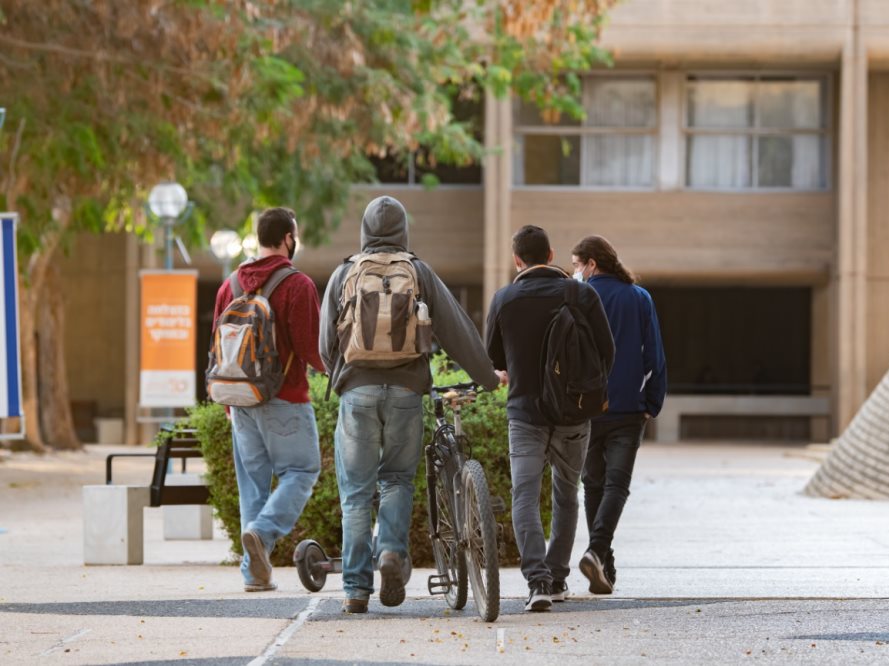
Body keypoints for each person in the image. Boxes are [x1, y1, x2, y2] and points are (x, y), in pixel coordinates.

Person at [320, 195, 499, 615]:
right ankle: (391, 554)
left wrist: (346, 376)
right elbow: (455, 329)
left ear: (364, 230)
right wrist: (488, 377)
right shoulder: (418, 271)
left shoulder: (345, 272)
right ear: (403, 231)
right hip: (406, 391)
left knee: (356, 494)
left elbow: (326, 344)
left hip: (357, 392)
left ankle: (355, 590)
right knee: (398, 479)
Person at [485, 225, 614, 611]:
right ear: (552, 254)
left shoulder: (505, 299)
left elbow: (494, 359)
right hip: (574, 414)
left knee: (524, 495)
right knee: (565, 493)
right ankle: (558, 578)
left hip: (525, 413)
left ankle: (537, 582)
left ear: (517, 260)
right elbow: (606, 352)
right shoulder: (581, 293)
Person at [212, 207, 325, 592]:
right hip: (285, 397)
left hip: (240, 400)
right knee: (303, 470)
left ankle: (254, 573)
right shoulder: (298, 284)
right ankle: (263, 532)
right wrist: (339, 371)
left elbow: (217, 349)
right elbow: (312, 349)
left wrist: (229, 404)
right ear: (288, 238)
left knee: (253, 486)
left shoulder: (230, 284)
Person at [570, 235, 667, 595]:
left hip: (587, 408)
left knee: (592, 483)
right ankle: (599, 554)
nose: (576, 271)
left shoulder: (578, 299)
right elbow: (654, 354)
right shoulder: (639, 298)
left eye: (578, 264)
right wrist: (651, 403)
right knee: (616, 484)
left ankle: (602, 560)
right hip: (629, 407)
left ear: (593, 264)